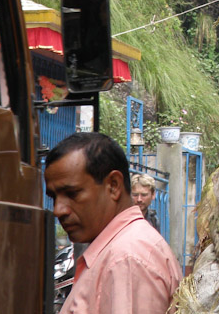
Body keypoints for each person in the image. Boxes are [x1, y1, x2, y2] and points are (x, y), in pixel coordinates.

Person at [44, 132, 182, 314]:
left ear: (114, 186)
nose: (58, 210)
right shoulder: (122, 251)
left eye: (72, 194)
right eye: (54, 197)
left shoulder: (126, 259)